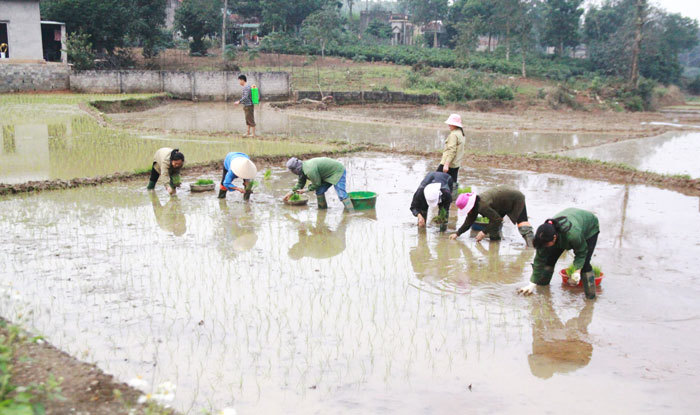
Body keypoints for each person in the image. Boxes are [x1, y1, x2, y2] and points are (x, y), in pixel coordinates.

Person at [517, 208, 600, 299]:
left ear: (555, 237)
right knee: (549, 260)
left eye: (547, 244)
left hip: (589, 226)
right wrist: (532, 284)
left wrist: (577, 271)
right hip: (569, 222)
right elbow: (539, 260)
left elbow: (581, 252)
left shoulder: (572, 235)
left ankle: (590, 299)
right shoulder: (544, 237)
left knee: (585, 264)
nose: (545, 246)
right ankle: (543, 292)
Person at [449, 186, 534, 246]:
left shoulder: (482, 206)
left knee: (523, 224)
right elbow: (469, 221)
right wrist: (457, 233)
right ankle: (495, 245)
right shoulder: (475, 204)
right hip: (502, 203)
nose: (468, 212)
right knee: (493, 226)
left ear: (469, 206)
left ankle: (532, 247)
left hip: (515, 198)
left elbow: (497, 220)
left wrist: (483, 232)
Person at [284, 157, 352, 210]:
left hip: (337, 171)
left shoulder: (309, 170)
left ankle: (352, 212)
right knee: (319, 191)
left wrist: (305, 190)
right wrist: (291, 192)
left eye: (292, 171)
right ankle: (322, 209)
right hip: (326, 175)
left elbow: (317, 184)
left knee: (341, 194)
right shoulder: (302, 169)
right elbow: (300, 183)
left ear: (296, 169)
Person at [437, 114, 466, 189]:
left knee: (435, 181)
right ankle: (453, 199)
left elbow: (452, 151)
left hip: (448, 164)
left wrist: (446, 164)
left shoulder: (453, 135)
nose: (449, 125)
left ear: (455, 124)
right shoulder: (461, 134)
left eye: (450, 124)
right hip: (456, 164)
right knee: (453, 185)